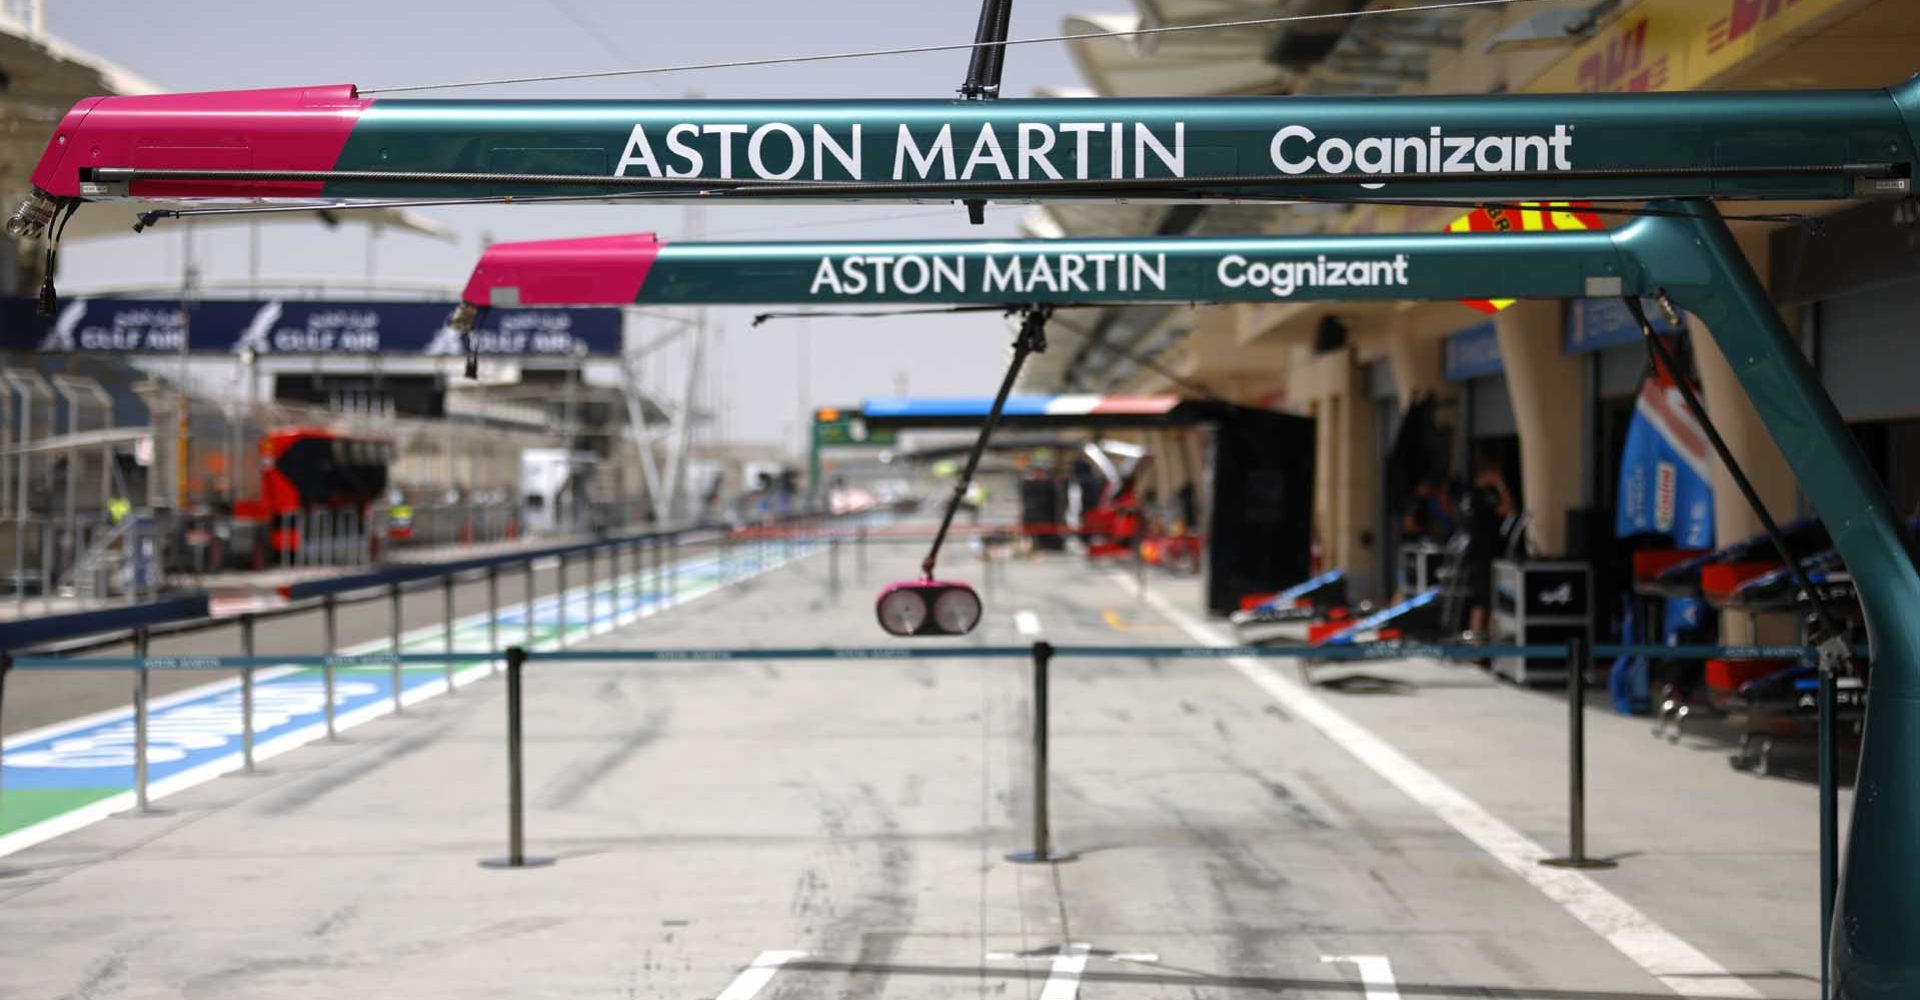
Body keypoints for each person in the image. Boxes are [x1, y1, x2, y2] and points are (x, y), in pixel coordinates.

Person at [1463, 457, 1515, 638]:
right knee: (1482, 600)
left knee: (1482, 599)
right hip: (1483, 553)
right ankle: (1477, 646)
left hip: (1479, 552)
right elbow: (1508, 509)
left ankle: (1479, 643)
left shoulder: (1471, 495)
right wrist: (1500, 484)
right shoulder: (1482, 495)